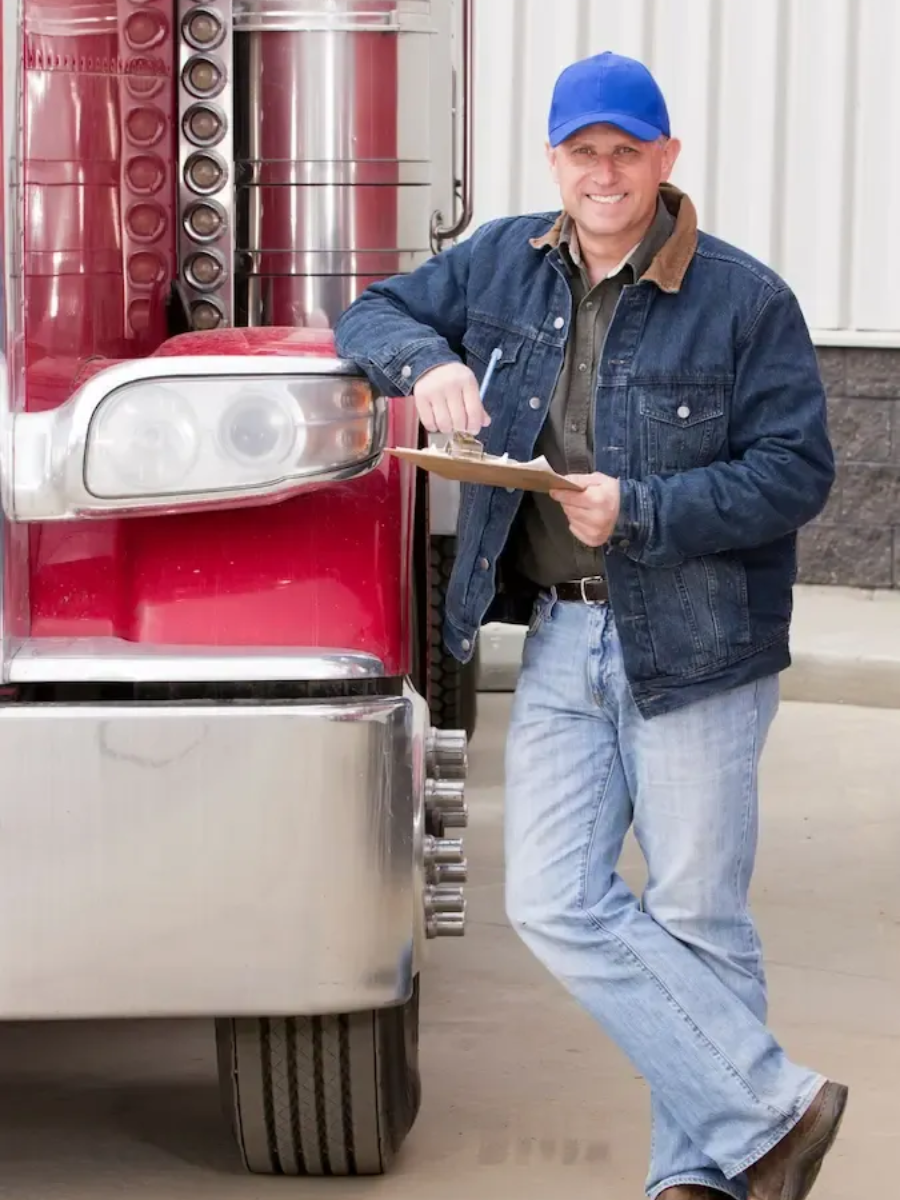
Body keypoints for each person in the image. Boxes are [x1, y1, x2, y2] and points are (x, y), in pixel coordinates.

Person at [334, 49, 846, 1200]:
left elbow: (797, 471)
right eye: (583, 153)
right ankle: (774, 1110)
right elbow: (365, 312)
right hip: (563, 638)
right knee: (554, 899)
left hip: (701, 641)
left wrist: (647, 509)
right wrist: (427, 362)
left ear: (666, 160)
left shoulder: (744, 298)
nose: (603, 173)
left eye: (626, 152)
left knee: (696, 913)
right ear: (555, 163)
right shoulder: (504, 264)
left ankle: (700, 1179)